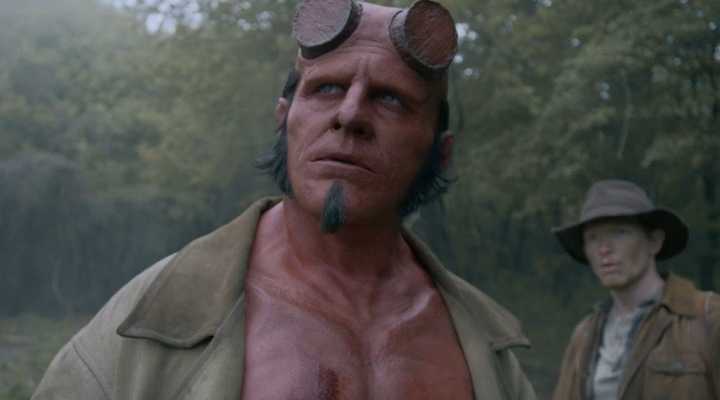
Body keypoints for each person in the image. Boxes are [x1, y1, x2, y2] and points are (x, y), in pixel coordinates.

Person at [32, 1, 537, 399]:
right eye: (327, 88)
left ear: (440, 152)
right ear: (284, 118)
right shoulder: (151, 322)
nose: (350, 115)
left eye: (390, 99)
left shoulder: (485, 349)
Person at [552, 179, 720, 400]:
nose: (604, 248)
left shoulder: (707, 317)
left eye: (619, 232)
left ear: (654, 241)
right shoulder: (583, 336)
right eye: (593, 238)